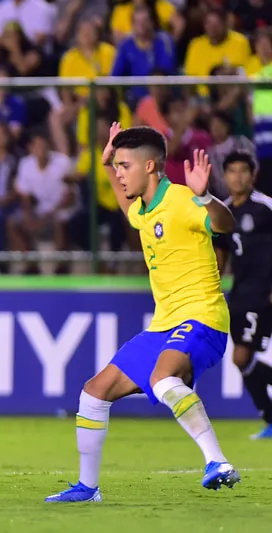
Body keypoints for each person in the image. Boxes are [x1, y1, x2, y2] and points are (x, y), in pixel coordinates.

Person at [45, 124, 240, 503]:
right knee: (93, 393)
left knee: (164, 379)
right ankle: (88, 488)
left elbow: (224, 224)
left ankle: (217, 461)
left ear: (150, 166)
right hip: (164, 324)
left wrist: (206, 197)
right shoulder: (144, 208)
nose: (118, 173)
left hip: (202, 317)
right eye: (116, 166)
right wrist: (103, 165)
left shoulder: (183, 200)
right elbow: (128, 209)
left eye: (123, 166)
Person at [213, 151, 272, 439]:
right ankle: (270, 418)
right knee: (241, 360)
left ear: (253, 175)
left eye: (243, 171)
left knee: (242, 356)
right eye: (232, 171)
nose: (238, 176)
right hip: (240, 295)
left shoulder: (265, 207)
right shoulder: (222, 211)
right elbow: (220, 255)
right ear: (225, 177)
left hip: (264, 294)